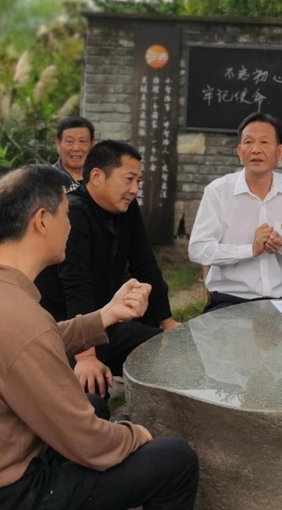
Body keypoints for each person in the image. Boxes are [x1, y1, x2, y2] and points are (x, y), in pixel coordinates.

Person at [0, 164, 199, 510]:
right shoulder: (21, 320)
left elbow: (25, 344)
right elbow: (87, 441)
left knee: (94, 406)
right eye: (67, 215)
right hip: (0, 506)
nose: (71, 225)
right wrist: (136, 435)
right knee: (175, 461)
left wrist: (105, 315)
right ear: (41, 221)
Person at [36, 140, 178, 397]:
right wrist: (86, 356)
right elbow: (76, 285)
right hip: (64, 330)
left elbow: (145, 266)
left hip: (106, 318)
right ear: (97, 176)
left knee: (167, 347)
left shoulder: (126, 207)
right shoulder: (74, 213)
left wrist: (167, 322)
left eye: (139, 182)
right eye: (129, 179)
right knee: (94, 395)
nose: (135, 189)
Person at [189, 113, 282, 312]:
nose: (256, 149)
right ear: (240, 151)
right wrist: (250, 250)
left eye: (264, 142)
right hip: (230, 301)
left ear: (280, 152)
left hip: (281, 301)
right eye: (248, 142)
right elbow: (198, 249)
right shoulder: (218, 192)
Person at [53, 116, 95, 189]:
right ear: (58, 144)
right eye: (69, 141)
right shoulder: (46, 180)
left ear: (92, 144)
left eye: (82, 141)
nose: (76, 148)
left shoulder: (101, 179)